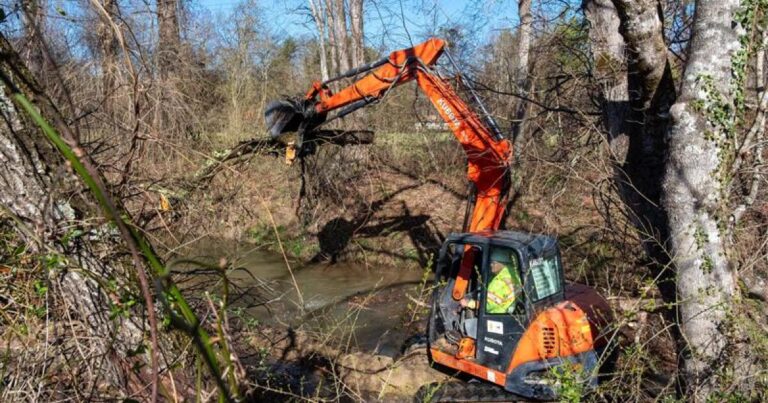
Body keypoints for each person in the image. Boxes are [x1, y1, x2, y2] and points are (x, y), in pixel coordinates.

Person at [460, 248, 521, 314]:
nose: (491, 265)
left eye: (493, 263)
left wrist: (470, 304)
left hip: (496, 315)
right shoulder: (510, 274)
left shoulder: (502, 280)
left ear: (502, 263)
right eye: (490, 262)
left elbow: (492, 304)